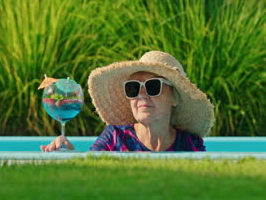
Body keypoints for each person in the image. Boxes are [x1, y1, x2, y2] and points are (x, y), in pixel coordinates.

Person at [40, 51, 215, 152]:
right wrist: (71, 155)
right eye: (133, 88)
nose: (142, 95)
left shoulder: (190, 143)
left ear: (174, 97)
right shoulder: (115, 137)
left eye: (153, 86)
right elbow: (92, 171)